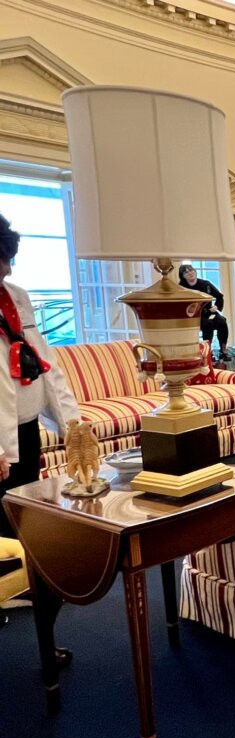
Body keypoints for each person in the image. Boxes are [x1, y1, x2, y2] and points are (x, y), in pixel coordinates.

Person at [0, 213, 79, 660]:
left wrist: (71, 425)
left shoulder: (17, 297)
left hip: (25, 437)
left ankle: (45, 645)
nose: (8, 269)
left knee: (31, 537)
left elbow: (43, 364)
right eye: (1, 260)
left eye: (10, 258)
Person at [178, 264, 230, 360]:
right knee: (207, 324)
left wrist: (216, 306)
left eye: (191, 270)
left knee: (222, 321)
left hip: (209, 312)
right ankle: (207, 351)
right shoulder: (181, 288)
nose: (190, 273)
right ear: (183, 276)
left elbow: (219, 296)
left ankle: (223, 350)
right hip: (193, 315)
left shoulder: (206, 284)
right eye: (186, 272)